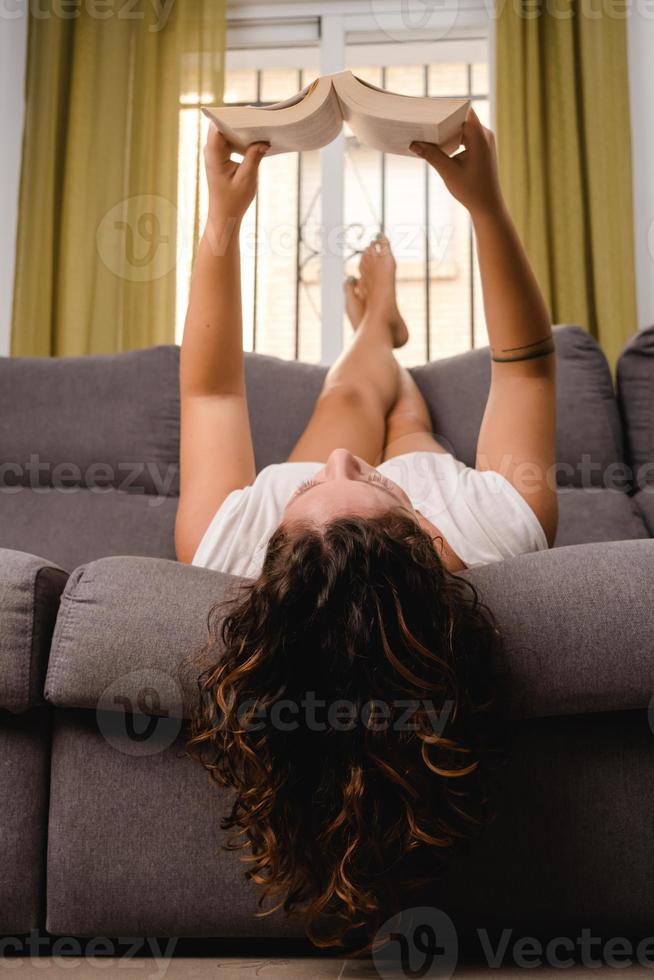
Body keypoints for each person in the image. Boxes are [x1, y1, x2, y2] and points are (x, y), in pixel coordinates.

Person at [178, 109, 558, 949]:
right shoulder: (496, 521)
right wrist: (486, 208)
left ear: (273, 553)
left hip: (348, 510)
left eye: (315, 489)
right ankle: (384, 330)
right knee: (409, 423)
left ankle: (371, 331)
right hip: (431, 476)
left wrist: (222, 219)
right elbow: (528, 362)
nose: (340, 466)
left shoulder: (231, 536)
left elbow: (209, 394)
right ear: (420, 536)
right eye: (366, 487)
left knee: (348, 405)